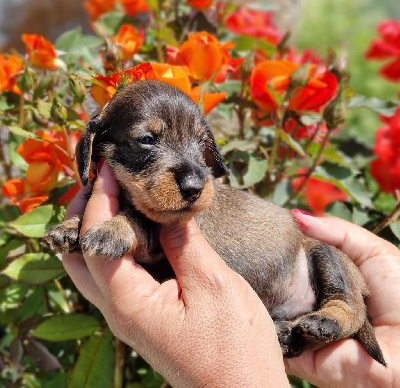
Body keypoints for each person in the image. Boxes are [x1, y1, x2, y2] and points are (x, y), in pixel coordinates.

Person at [62, 162, 400, 387]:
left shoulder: (185, 191)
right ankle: (302, 334)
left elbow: (146, 236)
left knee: (324, 251)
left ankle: (343, 313)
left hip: (299, 264)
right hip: (265, 317)